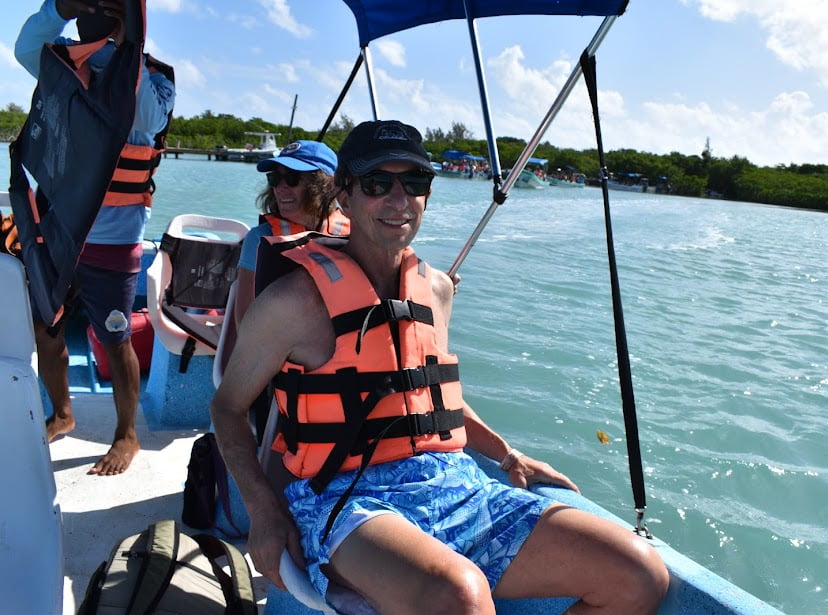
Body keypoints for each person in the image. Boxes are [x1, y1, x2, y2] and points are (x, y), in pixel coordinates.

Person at [211, 120, 669, 613]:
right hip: (345, 502)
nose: (398, 198)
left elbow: (431, 397)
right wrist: (262, 509)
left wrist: (507, 454)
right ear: (343, 195)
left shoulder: (437, 290)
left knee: (639, 573)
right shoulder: (291, 303)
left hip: (456, 484)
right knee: (461, 596)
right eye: (376, 183)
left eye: (414, 182)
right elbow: (228, 407)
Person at [15, 0, 176, 475]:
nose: (104, 9)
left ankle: (126, 434)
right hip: (59, 231)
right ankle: (63, 413)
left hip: (114, 238)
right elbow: (25, 46)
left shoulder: (157, 77)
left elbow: (146, 118)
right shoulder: (60, 60)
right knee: (46, 328)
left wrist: (130, 45)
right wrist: (58, 9)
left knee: (114, 336)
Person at [235, 140, 347, 330]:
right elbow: (245, 323)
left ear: (326, 184)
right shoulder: (259, 239)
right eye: (275, 179)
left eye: (292, 178)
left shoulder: (357, 237)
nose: (280, 188)